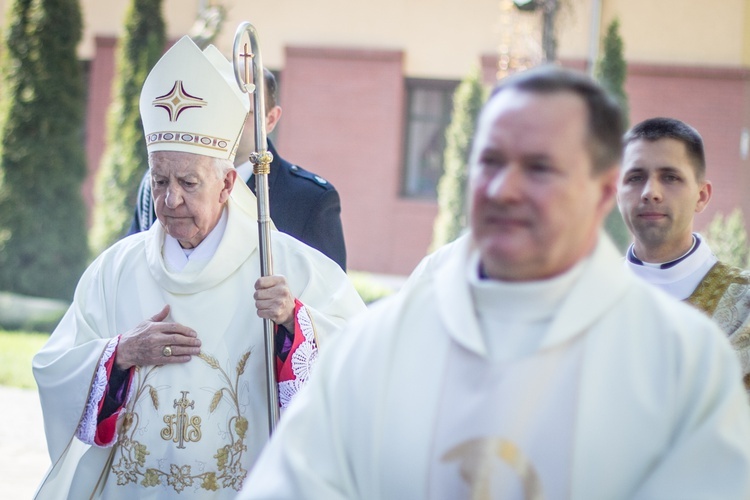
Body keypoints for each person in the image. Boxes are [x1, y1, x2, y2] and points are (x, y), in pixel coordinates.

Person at [239, 66, 750, 499]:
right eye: (491, 162)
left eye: (540, 168)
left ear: (599, 194)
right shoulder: (380, 346)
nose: (506, 189)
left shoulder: (681, 358)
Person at [32, 36, 366, 499]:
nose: (170, 201)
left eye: (189, 182)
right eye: (160, 179)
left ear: (228, 182)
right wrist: (120, 354)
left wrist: (295, 321)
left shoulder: (283, 264)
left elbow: (359, 356)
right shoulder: (115, 270)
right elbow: (54, 368)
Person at [128, 68, 348, 270]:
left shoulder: (308, 201)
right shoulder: (156, 187)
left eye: (240, 114)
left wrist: (290, 309)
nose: (223, 124)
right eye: (214, 112)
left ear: (270, 120)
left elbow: (329, 300)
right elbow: (136, 269)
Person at [617, 117, 750, 388]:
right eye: (635, 177)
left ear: (701, 196)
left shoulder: (744, 305)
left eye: (670, 177)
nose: (650, 192)